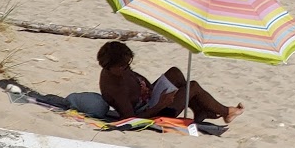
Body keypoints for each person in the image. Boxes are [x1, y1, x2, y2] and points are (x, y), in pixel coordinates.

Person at [97, 41, 243, 124]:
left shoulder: (117, 69)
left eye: (129, 64)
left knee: (174, 72)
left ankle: (200, 110)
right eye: (123, 66)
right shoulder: (115, 88)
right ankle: (226, 112)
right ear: (109, 66)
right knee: (193, 86)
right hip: (153, 111)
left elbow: (134, 79)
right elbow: (131, 119)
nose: (127, 67)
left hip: (149, 98)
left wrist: (150, 89)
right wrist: (161, 104)